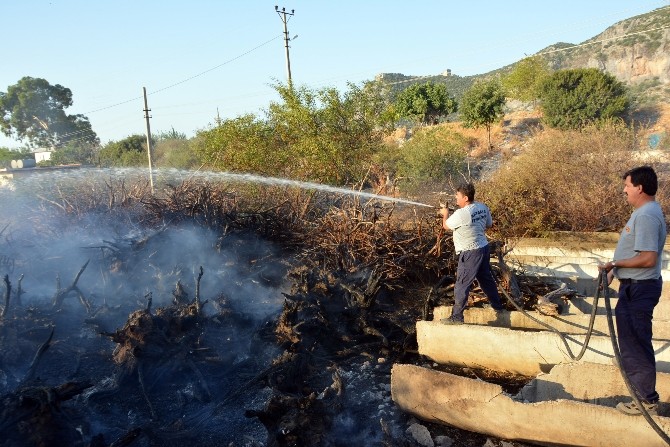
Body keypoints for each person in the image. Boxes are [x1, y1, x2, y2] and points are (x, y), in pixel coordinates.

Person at [599, 166, 666, 416]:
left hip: (639, 290)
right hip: (634, 287)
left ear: (639, 187)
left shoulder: (647, 215)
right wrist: (614, 272)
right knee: (631, 344)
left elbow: (648, 258)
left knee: (635, 346)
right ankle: (643, 398)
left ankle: (646, 401)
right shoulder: (644, 212)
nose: (624, 190)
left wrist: (614, 264)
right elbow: (636, 255)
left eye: (627, 185)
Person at [439, 182, 505, 324]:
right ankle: (498, 307)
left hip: (470, 252)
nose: (456, 200)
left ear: (466, 198)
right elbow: (488, 224)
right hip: (483, 248)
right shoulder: (482, 207)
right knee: (486, 280)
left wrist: (445, 214)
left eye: (458, 197)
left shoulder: (462, 214)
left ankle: (456, 317)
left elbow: (445, 226)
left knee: (462, 284)